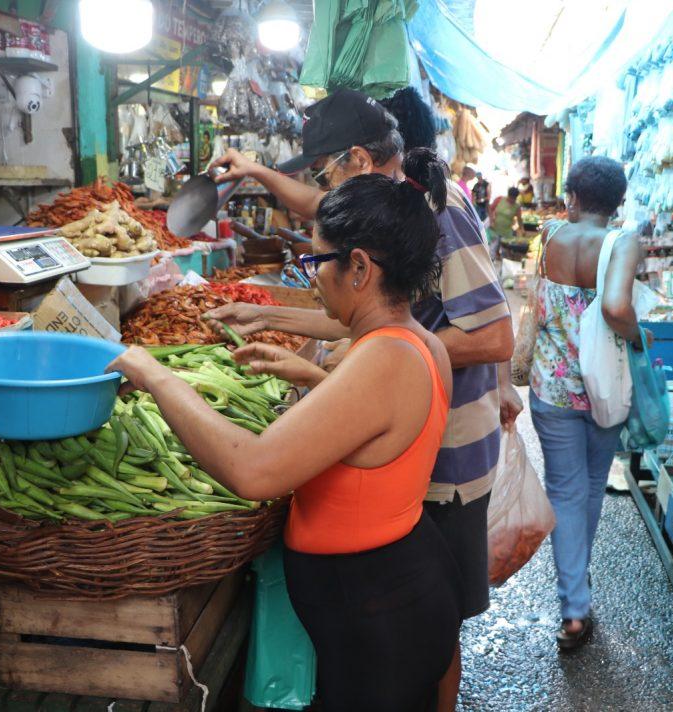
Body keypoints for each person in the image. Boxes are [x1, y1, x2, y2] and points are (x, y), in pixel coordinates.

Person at [207, 89, 517, 712]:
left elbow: (493, 333)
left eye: (326, 172)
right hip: (403, 451)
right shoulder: (390, 256)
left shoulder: (436, 219)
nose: (322, 187)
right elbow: (364, 308)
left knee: (422, 648)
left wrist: (371, 373)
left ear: (356, 158)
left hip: (441, 457)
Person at [108, 170, 461, 711]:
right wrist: (313, 378)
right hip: (398, 581)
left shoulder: (384, 359)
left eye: (317, 262)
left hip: (377, 605)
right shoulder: (420, 342)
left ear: (360, 267)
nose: (312, 277)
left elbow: (253, 470)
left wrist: (157, 377)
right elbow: (384, 436)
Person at [527, 156, 646, 650]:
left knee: (566, 491)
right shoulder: (621, 241)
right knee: (590, 487)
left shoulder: (552, 235)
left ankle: (574, 599)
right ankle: (576, 596)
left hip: (551, 389)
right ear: (618, 202)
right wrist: (640, 336)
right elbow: (617, 307)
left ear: (572, 197)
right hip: (603, 390)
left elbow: (535, 301)